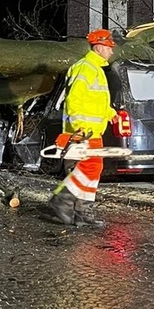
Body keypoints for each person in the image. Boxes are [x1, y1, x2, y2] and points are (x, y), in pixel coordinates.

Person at [46, 28, 118, 228]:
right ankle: (66, 202)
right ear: (99, 47)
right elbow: (74, 101)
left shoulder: (94, 69)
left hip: (90, 131)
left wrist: (111, 114)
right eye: (109, 47)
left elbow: (95, 103)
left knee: (92, 169)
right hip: (83, 132)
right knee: (88, 168)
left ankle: (80, 210)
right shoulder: (86, 68)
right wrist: (80, 128)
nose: (112, 51)